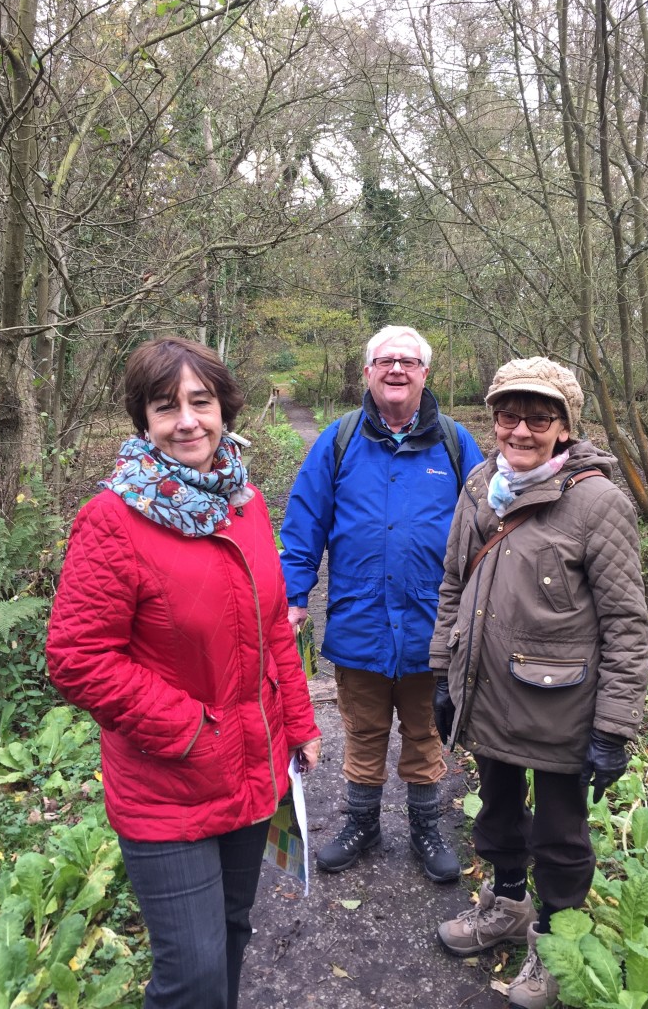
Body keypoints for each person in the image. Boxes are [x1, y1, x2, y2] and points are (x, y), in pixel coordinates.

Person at [47, 336, 321, 1009]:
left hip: (253, 769)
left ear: (224, 409)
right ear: (143, 419)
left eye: (201, 401)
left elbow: (271, 625)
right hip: (169, 782)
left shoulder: (245, 503)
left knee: (232, 931)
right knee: (190, 976)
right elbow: (77, 657)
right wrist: (192, 729)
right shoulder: (113, 518)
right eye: (165, 406)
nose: (187, 420)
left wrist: (298, 722)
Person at [431, 356, 648, 1009]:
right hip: (488, 695)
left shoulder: (597, 503)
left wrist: (613, 727)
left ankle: (553, 946)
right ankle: (506, 908)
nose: (520, 429)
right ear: (493, 419)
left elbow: (626, 624)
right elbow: (452, 586)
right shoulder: (478, 487)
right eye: (508, 414)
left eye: (539, 416)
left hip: (562, 709)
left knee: (560, 836)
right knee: (496, 815)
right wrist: (443, 674)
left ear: (564, 426)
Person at [280, 324, 482, 883]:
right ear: (368, 372)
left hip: (431, 624)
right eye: (385, 360)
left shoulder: (456, 442)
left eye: (409, 361)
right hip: (360, 618)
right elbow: (304, 523)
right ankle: (362, 822)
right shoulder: (339, 441)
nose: (397, 369)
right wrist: (293, 596)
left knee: (425, 731)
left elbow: (489, 528)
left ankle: (425, 827)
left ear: (425, 374)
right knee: (363, 730)